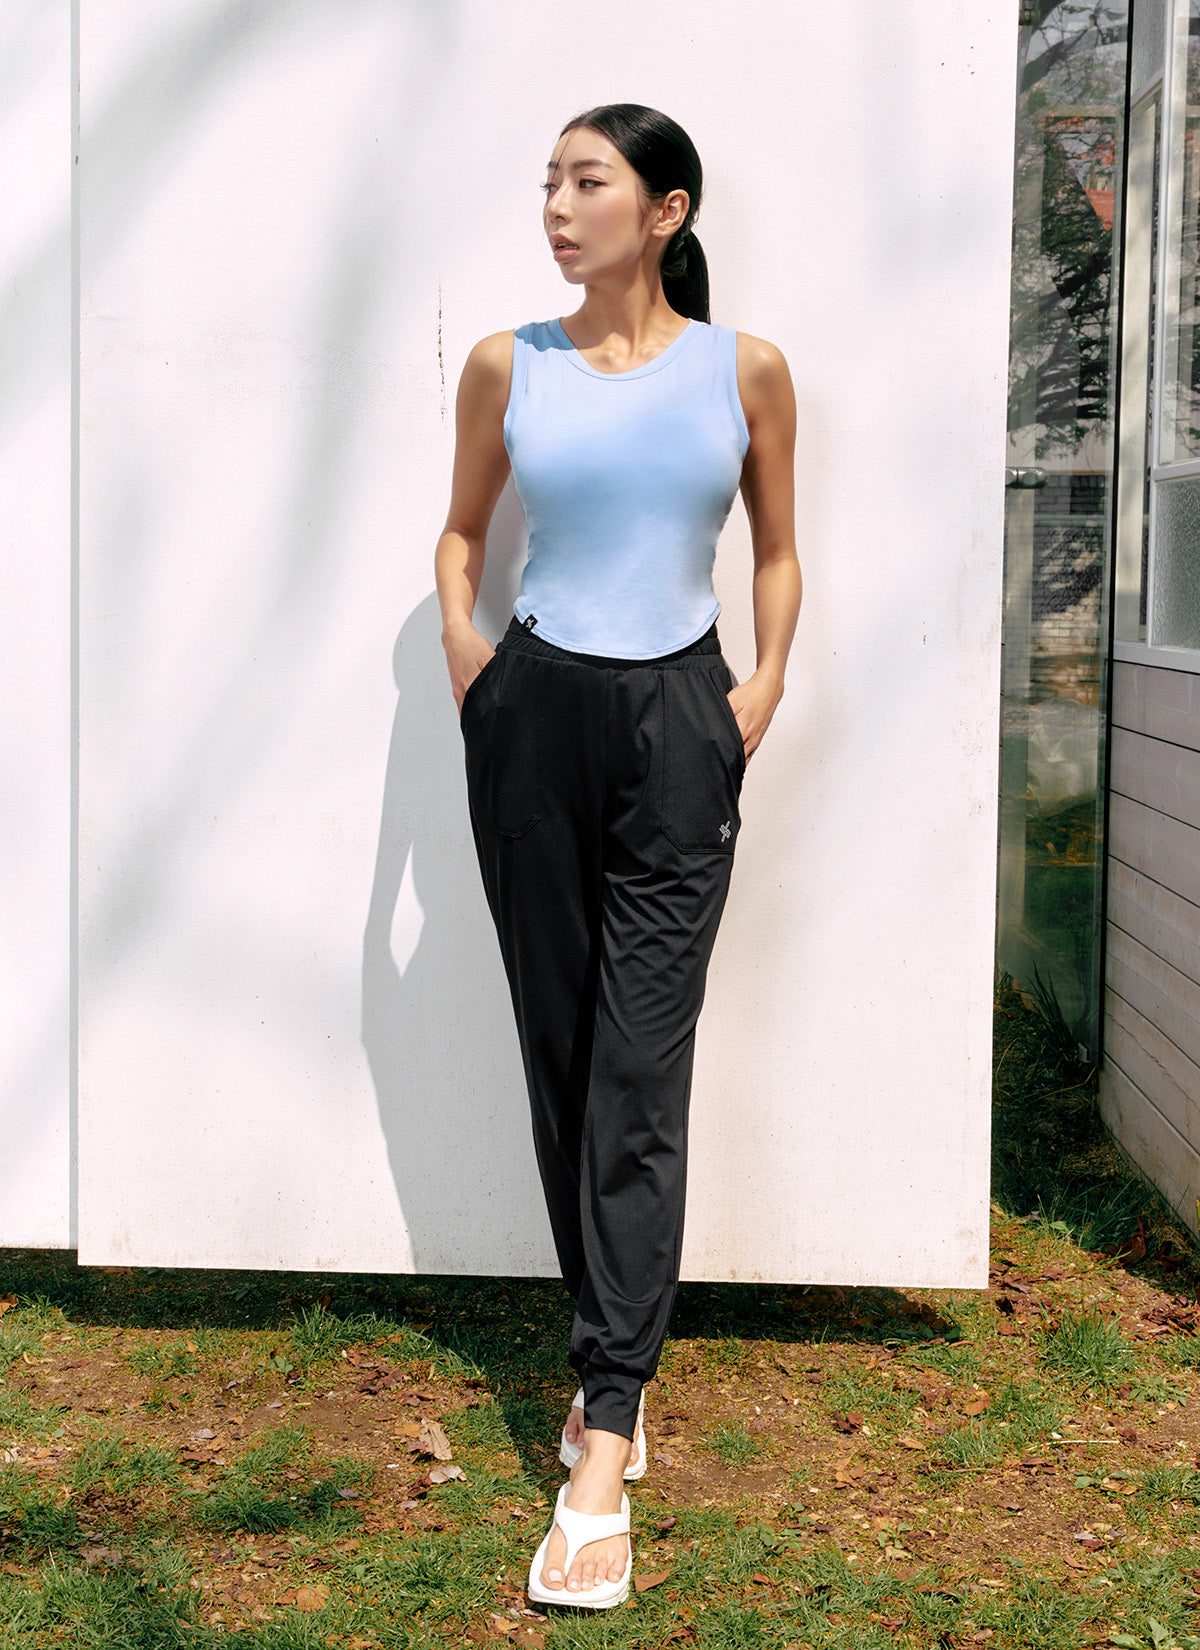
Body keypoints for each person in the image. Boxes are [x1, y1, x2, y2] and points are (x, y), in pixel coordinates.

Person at [433, 103, 800, 1609]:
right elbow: (462, 536)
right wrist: (475, 670)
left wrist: (759, 687)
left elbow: (776, 548)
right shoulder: (506, 364)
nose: (557, 205)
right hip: (534, 714)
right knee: (566, 1054)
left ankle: (604, 1438)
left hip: (679, 721)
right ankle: (612, 1360)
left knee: (642, 1068)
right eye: (549, 182)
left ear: (665, 209)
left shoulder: (745, 370)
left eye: (587, 181)